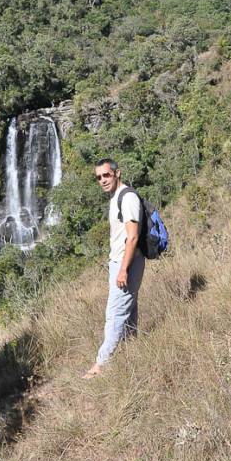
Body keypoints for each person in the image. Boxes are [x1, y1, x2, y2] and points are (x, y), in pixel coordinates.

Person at [83, 158, 145, 378]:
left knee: (115, 314)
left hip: (126, 263)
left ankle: (101, 365)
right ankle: (132, 353)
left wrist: (123, 269)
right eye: (98, 177)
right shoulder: (116, 198)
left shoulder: (127, 198)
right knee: (128, 312)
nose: (102, 180)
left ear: (117, 173)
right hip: (120, 262)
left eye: (106, 175)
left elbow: (133, 236)